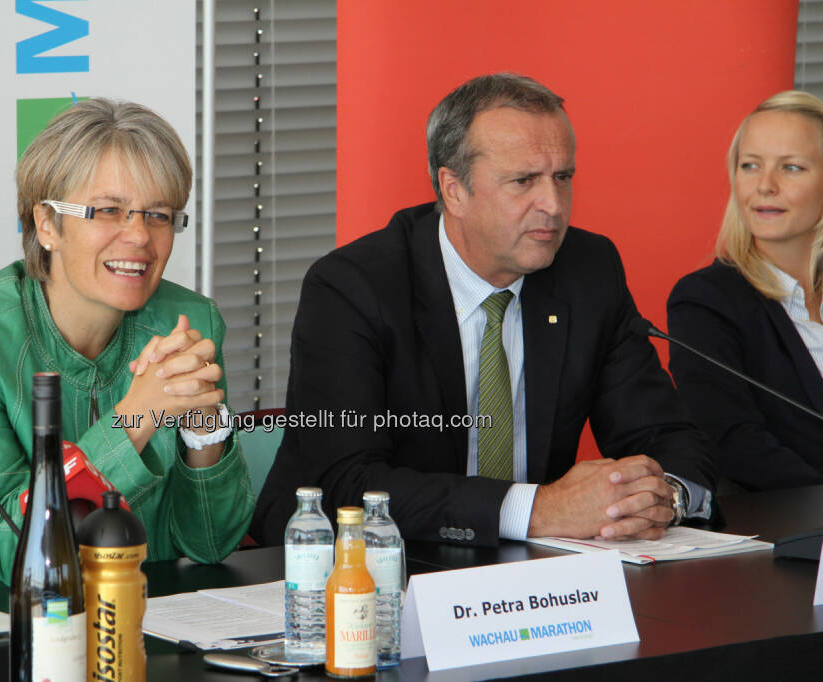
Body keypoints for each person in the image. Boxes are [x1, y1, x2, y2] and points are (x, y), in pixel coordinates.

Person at [251, 73, 716, 548]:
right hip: (363, 568)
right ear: (453, 190)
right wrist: (541, 509)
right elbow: (347, 483)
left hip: (526, 575)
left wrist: (665, 498)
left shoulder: (588, 271)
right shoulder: (353, 287)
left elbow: (662, 432)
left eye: (563, 178)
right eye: (524, 181)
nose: (553, 206)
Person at [0, 99, 254, 591]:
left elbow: (209, 543)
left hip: (128, 610)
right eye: (108, 211)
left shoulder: (190, 324)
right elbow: (18, 547)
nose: (139, 235)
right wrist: (134, 420)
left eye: (158, 214)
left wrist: (201, 428)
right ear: (48, 224)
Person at [668, 91, 823, 491]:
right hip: (787, 537)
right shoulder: (705, 302)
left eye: (790, 167)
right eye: (750, 165)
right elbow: (735, 445)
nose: (765, 186)